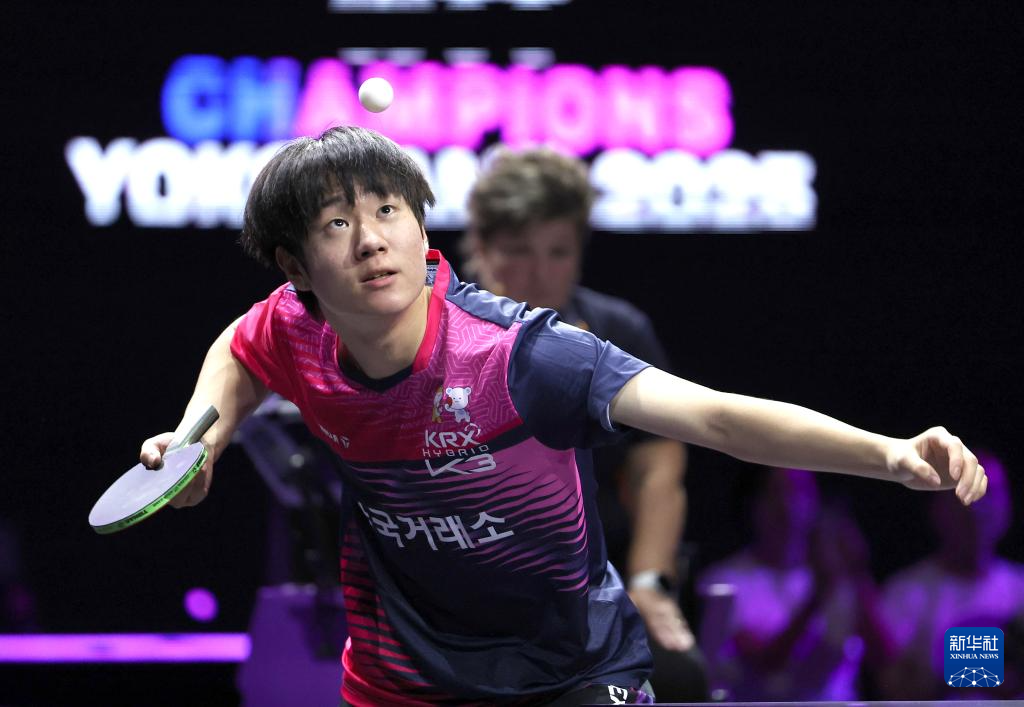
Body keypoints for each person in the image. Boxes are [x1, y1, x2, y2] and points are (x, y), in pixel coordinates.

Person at [139, 126, 987, 706]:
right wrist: (198, 439)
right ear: (295, 267)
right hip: (406, 675)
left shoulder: (521, 355)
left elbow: (716, 417)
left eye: (388, 210)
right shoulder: (299, 329)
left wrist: (888, 453)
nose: (370, 240)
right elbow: (241, 351)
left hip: (569, 669)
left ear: (422, 224)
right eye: (336, 223)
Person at [461, 147, 705, 701]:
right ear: (480, 247)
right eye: (518, 251)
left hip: (598, 585)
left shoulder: (619, 332)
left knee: (677, 675)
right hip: (472, 586)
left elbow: (658, 471)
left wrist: (648, 581)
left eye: (558, 252)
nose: (539, 273)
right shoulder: (435, 336)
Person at [696, 468, 894, 701]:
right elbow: (765, 664)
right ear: (752, 504)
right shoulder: (724, 580)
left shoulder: (841, 577)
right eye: (775, 493)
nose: (788, 506)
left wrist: (857, 573)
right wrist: (818, 595)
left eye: (800, 492)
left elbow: (885, 661)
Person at [878, 451, 1024, 700]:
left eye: (989, 493)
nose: (976, 508)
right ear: (937, 508)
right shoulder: (904, 592)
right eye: (962, 492)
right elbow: (892, 685)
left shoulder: (1019, 589)